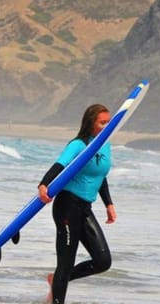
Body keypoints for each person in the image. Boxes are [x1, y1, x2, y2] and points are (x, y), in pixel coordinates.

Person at [37, 104, 116, 304]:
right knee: (65, 262)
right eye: (102, 122)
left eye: (109, 122)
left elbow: (100, 175)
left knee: (103, 261)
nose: (107, 126)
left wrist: (108, 204)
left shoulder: (105, 145)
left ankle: (56, 280)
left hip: (85, 208)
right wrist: (44, 184)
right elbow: (60, 164)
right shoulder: (78, 145)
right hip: (67, 206)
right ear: (91, 123)